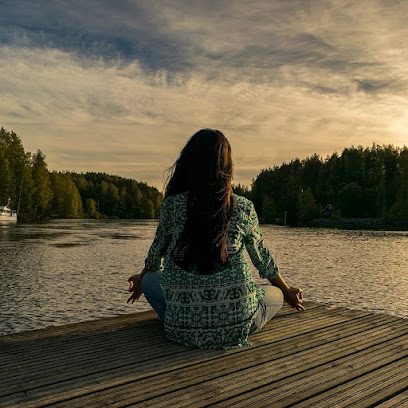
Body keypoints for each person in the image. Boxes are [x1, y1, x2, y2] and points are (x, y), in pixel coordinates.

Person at [127, 129, 304, 349]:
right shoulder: (243, 207)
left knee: (152, 278)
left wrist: (141, 278)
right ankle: (261, 299)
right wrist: (287, 291)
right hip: (238, 325)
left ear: (188, 164)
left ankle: (183, 314)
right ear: (227, 168)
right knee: (275, 292)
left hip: (181, 327)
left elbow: (155, 257)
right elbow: (263, 260)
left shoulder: (172, 206)